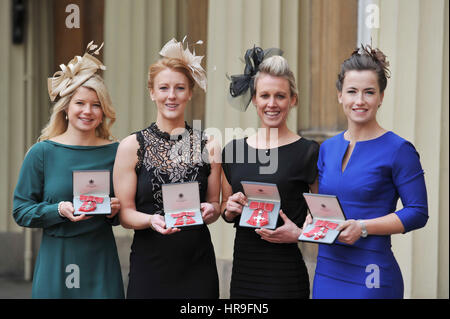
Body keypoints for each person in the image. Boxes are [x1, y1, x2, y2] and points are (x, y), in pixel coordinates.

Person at [305, 45, 428, 298]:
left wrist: (363, 227)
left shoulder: (399, 149)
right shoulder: (327, 149)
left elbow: (418, 212)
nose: (359, 101)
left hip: (371, 273)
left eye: (369, 92)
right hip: (327, 270)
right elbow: (324, 202)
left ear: (381, 97)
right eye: (352, 91)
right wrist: (311, 216)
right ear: (340, 95)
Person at [13, 42, 124, 298]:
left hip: (101, 259)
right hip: (57, 260)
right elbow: (20, 211)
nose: (88, 111)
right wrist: (58, 209)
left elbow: (125, 211)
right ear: (65, 108)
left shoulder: (117, 152)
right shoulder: (42, 153)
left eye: (96, 105)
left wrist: (114, 211)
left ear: (104, 110)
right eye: (80, 103)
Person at [113, 37, 220, 299]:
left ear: (190, 92)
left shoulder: (210, 144)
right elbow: (125, 214)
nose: (171, 96)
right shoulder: (131, 146)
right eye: (163, 88)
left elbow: (215, 205)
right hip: (151, 264)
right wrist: (151, 220)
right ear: (152, 92)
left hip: (198, 264)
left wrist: (212, 210)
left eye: (180, 88)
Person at [221, 46, 319, 298]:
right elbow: (226, 209)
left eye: (280, 96)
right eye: (264, 95)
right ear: (254, 99)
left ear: (293, 99)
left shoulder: (309, 152)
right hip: (244, 272)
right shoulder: (233, 151)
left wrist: (300, 234)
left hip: (285, 276)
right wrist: (229, 209)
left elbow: (324, 217)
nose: (272, 104)